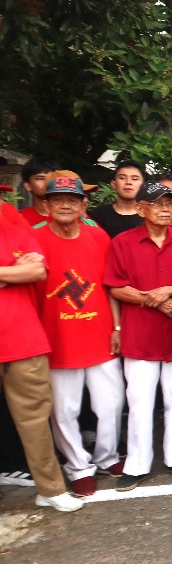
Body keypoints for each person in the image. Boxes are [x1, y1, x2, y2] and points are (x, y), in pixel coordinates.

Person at [105, 182, 172, 490]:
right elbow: (116, 287)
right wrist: (154, 299)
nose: (165, 209)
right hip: (140, 333)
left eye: (170, 203)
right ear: (140, 209)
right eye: (157, 204)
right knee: (139, 401)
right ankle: (137, 464)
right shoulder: (123, 242)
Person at [33, 173, 124, 498]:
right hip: (56, 339)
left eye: (72, 200)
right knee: (64, 411)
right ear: (46, 204)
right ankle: (79, 467)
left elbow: (111, 286)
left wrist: (117, 327)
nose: (65, 206)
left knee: (112, 404)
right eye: (58, 200)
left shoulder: (98, 236)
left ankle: (107, 456)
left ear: (84, 204)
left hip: (100, 335)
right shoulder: (34, 239)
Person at [1, 214, 84, 512]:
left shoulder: (16, 232)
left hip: (22, 339)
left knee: (35, 418)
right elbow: (24, 272)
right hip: (20, 336)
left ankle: (50, 489)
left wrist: (18, 271)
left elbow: (37, 272)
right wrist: (10, 271)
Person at [89, 160, 147, 237]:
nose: (128, 182)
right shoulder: (98, 214)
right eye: (122, 178)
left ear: (143, 185)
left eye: (135, 179)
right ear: (113, 184)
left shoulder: (149, 215)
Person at [19, 158, 58, 225]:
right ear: (27, 185)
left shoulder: (75, 218)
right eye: (40, 178)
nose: (48, 182)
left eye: (52, 178)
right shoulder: (18, 219)